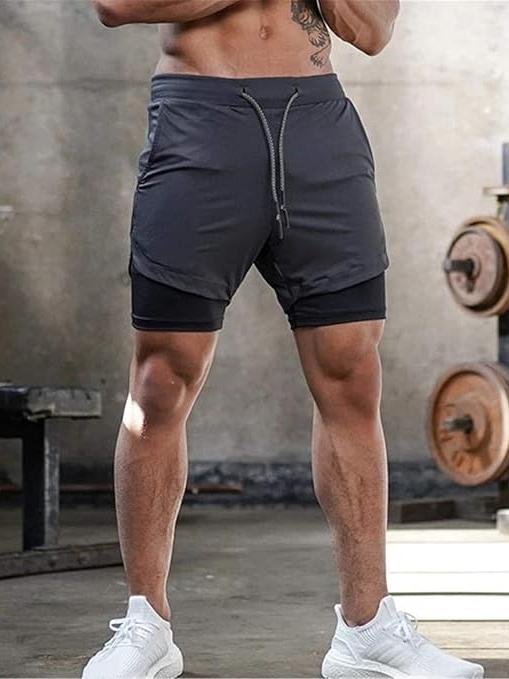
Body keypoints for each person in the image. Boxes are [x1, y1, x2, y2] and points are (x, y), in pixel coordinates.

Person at [82, 2, 484, 678]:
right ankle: (146, 624)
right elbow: (116, 5)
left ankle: (366, 628)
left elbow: (372, 31)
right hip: (199, 121)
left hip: (317, 128)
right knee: (160, 380)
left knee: (350, 370)